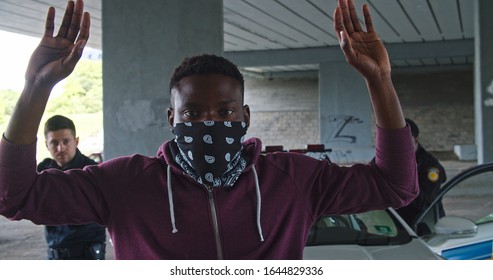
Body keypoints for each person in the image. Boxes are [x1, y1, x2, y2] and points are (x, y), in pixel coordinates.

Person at [0, 0, 418, 259]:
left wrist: (379, 82)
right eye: (193, 114)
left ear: (246, 118)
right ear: (171, 121)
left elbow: (397, 186)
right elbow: (12, 195)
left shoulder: (293, 179)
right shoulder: (125, 184)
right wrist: (36, 89)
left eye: (224, 112)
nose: (209, 124)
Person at [37, 115, 106, 260]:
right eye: (54, 143)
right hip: (54, 254)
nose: (60, 148)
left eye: (66, 141)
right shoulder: (44, 171)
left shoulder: (92, 171)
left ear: (76, 141)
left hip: (87, 255)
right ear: (46, 145)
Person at [396, 118, 447, 225]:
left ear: (416, 140)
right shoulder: (388, 159)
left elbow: (425, 202)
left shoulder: (430, 167)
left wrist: (402, 178)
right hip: (397, 226)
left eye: (404, 141)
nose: (399, 146)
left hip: (423, 226)